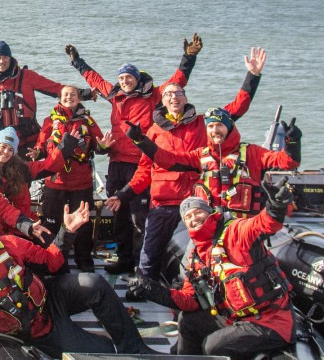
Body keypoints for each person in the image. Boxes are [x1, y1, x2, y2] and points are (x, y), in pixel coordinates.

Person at [113, 48, 265, 283]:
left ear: (185, 98)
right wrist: (123, 195)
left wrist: (252, 77)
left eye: (178, 94)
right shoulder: (153, 131)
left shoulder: (204, 124)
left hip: (198, 202)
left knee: (205, 252)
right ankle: (146, 285)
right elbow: (144, 170)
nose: (174, 97)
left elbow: (236, 109)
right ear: (162, 101)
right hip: (162, 202)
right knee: (149, 252)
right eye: (169, 95)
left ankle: (201, 291)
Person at [65, 34, 202, 274]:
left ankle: (143, 263)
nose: (124, 81)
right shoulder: (114, 94)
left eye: (128, 77)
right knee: (117, 213)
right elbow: (94, 79)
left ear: (137, 79)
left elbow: (177, 82)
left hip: (140, 164)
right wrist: (77, 61)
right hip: (116, 163)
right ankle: (124, 258)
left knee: (140, 218)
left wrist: (188, 57)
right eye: (121, 77)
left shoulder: (153, 96)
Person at [0, 208, 153, 358]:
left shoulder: (9, 243)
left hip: (49, 301)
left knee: (93, 283)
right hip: (31, 331)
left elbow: (52, 262)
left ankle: (136, 348)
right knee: (102, 353)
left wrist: (67, 231)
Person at [127, 190, 296, 358]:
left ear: (210, 213)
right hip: (235, 317)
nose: (194, 219)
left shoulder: (235, 232)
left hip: (270, 320)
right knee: (187, 322)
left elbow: (262, 224)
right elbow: (189, 301)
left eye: (198, 212)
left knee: (213, 346)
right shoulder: (197, 255)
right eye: (188, 217)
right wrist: (152, 290)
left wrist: (275, 208)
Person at [125, 107, 300, 216]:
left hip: (243, 225)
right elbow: (168, 160)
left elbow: (287, 162)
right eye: (210, 126)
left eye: (219, 125)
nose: (215, 130)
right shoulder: (200, 155)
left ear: (229, 127)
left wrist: (292, 143)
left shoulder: (252, 152)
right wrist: (141, 140)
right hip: (210, 224)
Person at [31, 85, 113, 272]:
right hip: (55, 182)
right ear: (60, 98)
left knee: (83, 224)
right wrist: (36, 153)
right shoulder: (49, 121)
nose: (69, 97)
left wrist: (104, 147)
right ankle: (51, 260)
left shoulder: (88, 122)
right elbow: (42, 146)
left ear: (79, 98)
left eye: (73, 95)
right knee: (50, 222)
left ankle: (84, 260)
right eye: (65, 95)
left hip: (81, 183)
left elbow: (99, 145)